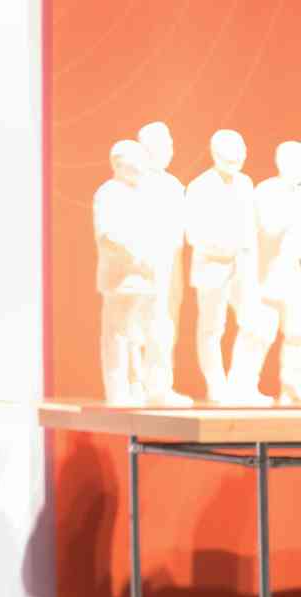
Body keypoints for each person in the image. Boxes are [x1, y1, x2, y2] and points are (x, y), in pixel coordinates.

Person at [185, 130, 266, 404]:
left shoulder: (245, 183)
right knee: (211, 328)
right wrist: (226, 248)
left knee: (254, 323)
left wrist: (249, 258)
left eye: (239, 156)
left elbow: (251, 226)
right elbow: (194, 233)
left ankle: (241, 383)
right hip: (212, 267)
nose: (236, 162)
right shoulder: (200, 187)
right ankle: (216, 385)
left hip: (243, 266)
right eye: (229, 157)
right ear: (215, 154)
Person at [93, 140, 156, 404]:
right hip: (120, 279)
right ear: (119, 164)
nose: (142, 167)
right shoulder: (109, 193)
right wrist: (135, 254)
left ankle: (136, 385)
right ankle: (117, 391)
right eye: (136, 161)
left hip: (142, 279)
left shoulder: (141, 194)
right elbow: (108, 235)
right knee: (117, 335)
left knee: (135, 335)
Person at [137, 122, 192, 405]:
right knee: (149, 324)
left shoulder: (173, 185)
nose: (171, 148)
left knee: (168, 322)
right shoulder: (137, 184)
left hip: (172, 262)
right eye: (166, 143)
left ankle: (161, 384)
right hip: (146, 264)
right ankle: (146, 385)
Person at [249, 141, 301, 403]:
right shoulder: (266, 191)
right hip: (268, 275)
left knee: (296, 334)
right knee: (260, 334)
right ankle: (245, 384)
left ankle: (292, 387)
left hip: (294, 275)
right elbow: (268, 229)